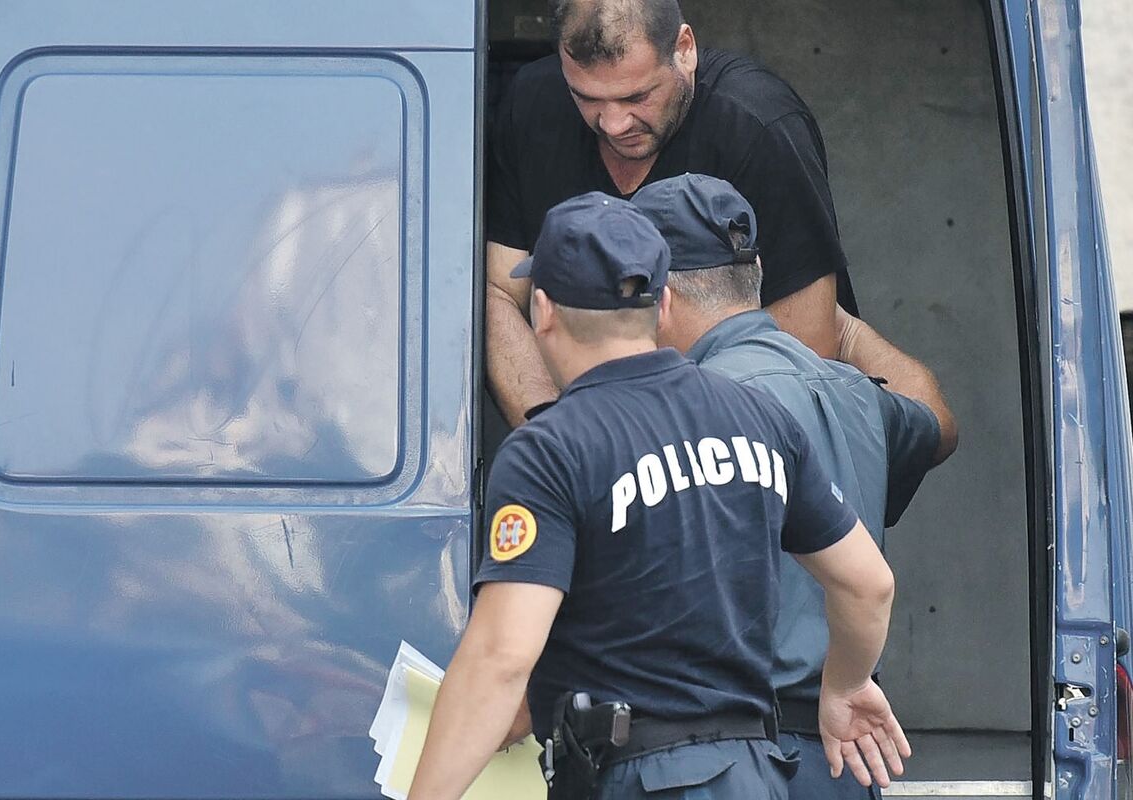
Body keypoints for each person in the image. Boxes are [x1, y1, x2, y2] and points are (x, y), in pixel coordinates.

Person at [408, 192, 910, 800]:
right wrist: (846, 684)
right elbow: (868, 584)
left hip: (639, 777)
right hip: (754, 774)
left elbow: (501, 657)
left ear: (542, 310)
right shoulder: (758, 419)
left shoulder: (550, 450)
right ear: (662, 302)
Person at [632, 173, 957, 800]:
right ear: (753, 275)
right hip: (841, 756)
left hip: (715, 763)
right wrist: (848, 333)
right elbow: (939, 424)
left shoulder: (678, 408)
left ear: (658, 295)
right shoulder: (856, 395)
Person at [487, 0, 860, 428]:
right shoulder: (532, 103)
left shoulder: (759, 125)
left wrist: (665, 453)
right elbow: (498, 293)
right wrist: (555, 435)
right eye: (586, 98)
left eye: (636, 97)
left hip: (748, 438)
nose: (613, 124)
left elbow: (805, 349)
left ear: (685, 49)